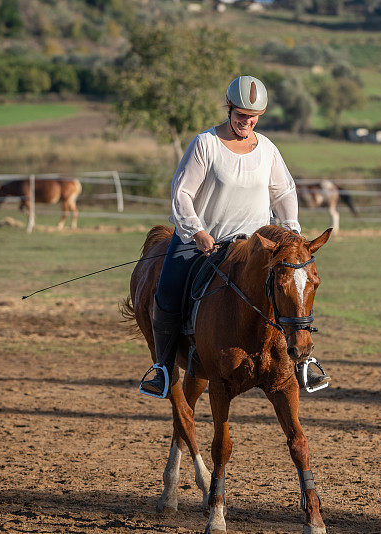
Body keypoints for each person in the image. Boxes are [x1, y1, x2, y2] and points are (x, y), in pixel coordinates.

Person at [140, 75, 330, 399]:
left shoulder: (267, 149)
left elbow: (284, 191)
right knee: (167, 292)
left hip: (254, 246)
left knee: (293, 287)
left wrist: (292, 230)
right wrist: (196, 230)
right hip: (203, 240)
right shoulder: (205, 144)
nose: (246, 122)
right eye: (241, 115)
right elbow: (182, 192)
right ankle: (163, 367)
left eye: (252, 117)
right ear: (229, 109)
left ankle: (302, 360)